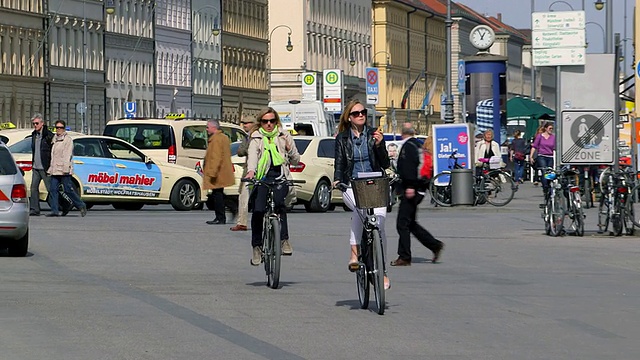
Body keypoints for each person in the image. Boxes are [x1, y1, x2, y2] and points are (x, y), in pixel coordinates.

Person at [333, 99, 391, 290]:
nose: (361, 115)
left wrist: (380, 145)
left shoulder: (375, 134)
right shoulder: (342, 138)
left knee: (380, 222)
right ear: (349, 118)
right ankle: (354, 253)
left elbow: (384, 164)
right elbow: (340, 163)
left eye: (363, 112)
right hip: (352, 184)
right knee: (360, 208)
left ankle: (382, 271)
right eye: (356, 113)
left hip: (375, 183)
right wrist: (337, 180)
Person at [245, 107, 300, 265]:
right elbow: (253, 157)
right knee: (258, 210)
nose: (268, 124)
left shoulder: (284, 135)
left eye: (272, 121)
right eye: (265, 121)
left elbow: (296, 159)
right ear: (260, 122)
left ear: (276, 121)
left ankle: (284, 240)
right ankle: (257, 247)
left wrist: (290, 152)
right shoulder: (256, 137)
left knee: (280, 205)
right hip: (262, 178)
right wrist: (251, 172)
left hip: (280, 177)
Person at [391, 123, 444, 266]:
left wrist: (409, 187)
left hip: (412, 190)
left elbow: (408, 168)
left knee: (402, 223)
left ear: (402, 133)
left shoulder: (408, 147)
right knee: (411, 223)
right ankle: (434, 245)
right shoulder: (418, 145)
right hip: (420, 188)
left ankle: (404, 257)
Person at [46, 120, 87, 217]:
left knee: (68, 190)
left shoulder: (67, 140)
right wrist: (51, 169)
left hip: (64, 170)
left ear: (64, 128)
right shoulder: (54, 139)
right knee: (53, 190)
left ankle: (81, 205)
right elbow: (53, 156)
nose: (58, 129)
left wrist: (65, 169)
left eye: (60, 127)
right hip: (55, 169)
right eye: (57, 127)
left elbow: (67, 156)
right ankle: (55, 211)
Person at [204, 119, 236, 225]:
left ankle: (221, 217)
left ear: (214, 127)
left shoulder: (216, 139)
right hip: (221, 170)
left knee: (217, 195)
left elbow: (215, 157)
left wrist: (212, 172)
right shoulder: (223, 137)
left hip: (218, 171)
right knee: (218, 193)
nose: (206, 129)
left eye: (208, 127)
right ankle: (230, 207)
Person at [230, 117, 256, 231]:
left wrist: (248, 150)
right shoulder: (247, 136)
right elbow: (240, 151)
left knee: (246, 196)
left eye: (247, 123)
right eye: (243, 123)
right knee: (243, 196)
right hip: (249, 169)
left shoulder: (255, 136)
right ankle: (241, 222)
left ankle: (243, 222)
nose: (244, 125)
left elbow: (244, 150)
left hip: (256, 170)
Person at [29, 113, 54, 216]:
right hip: (36, 166)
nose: (35, 125)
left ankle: (55, 208)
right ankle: (34, 209)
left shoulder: (48, 135)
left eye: (37, 123)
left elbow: (53, 151)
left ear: (42, 123)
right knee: (33, 188)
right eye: (34, 123)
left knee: (50, 188)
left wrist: (51, 165)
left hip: (45, 166)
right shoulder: (34, 135)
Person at [530, 121, 555, 197]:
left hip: (550, 156)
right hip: (541, 156)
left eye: (552, 128)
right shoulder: (540, 136)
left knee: (550, 173)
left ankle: (548, 186)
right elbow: (534, 146)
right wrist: (531, 156)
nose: (551, 130)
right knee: (544, 172)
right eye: (550, 128)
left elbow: (556, 147)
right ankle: (545, 187)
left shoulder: (553, 137)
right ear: (546, 128)